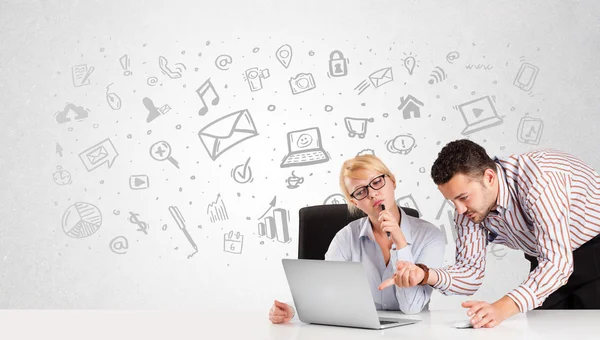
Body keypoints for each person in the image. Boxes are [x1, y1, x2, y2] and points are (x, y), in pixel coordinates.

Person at [380, 139, 600, 328]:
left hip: (593, 251)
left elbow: (558, 264)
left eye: (463, 197)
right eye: (452, 201)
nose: (459, 210)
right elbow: (470, 273)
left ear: (489, 178)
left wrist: (502, 308)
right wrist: (425, 275)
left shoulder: (539, 182)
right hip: (546, 260)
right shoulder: (469, 211)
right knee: (546, 332)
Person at [268, 154, 446, 324]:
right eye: (361, 191)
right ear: (354, 202)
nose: (372, 194)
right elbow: (325, 292)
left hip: (416, 332)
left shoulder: (430, 236)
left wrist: (401, 244)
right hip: (357, 329)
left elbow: (412, 308)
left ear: (392, 181)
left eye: (377, 182)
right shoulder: (345, 238)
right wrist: (293, 311)